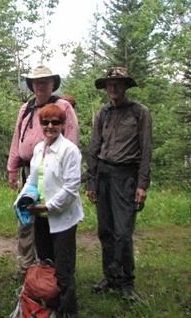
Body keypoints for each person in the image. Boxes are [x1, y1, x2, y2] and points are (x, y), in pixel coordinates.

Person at [86, 67, 152, 302]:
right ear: (106, 88)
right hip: (103, 174)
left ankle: (127, 281)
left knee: (123, 233)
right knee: (105, 230)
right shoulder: (102, 114)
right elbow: (93, 149)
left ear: (125, 86)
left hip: (126, 176)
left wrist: (142, 185)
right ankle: (110, 276)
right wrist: (91, 181)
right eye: (109, 84)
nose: (113, 87)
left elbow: (146, 151)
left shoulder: (139, 113)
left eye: (118, 83)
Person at [7, 65, 79, 277]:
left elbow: (72, 137)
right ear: (31, 85)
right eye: (37, 82)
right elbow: (16, 138)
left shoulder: (63, 106)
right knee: (28, 218)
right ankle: (28, 267)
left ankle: (55, 269)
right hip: (31, 171)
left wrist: (66, 166)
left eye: (45, 82)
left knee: (52, 217)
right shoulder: (26, 108)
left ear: (52, 84)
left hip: (56, 171)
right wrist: (12, 168)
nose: (40, 86)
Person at [15, 104, 83, 318]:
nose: (50, 126)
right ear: (41, 125)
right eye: (45, 122)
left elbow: (71, 188)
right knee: (46, 264)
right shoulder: (39, 149)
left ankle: (69, 312)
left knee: (64, 270)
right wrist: (21, 200)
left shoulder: (69, 150)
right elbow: (32, 180)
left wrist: (49, 206)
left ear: (63, 125)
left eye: (55, 122)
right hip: (41, 217)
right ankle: (49, 308)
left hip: (63, 218)